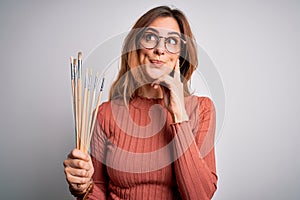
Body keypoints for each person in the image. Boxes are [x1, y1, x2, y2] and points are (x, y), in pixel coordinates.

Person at [64, 5, 218, 200]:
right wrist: (83, 188)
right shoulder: (105, 114)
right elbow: (99, 190)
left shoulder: (202, 109)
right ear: (136, 48)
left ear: (181, 56)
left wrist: (179, 115)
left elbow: (200, 196)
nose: (160, 49)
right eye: (151, 38)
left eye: (171, 41)